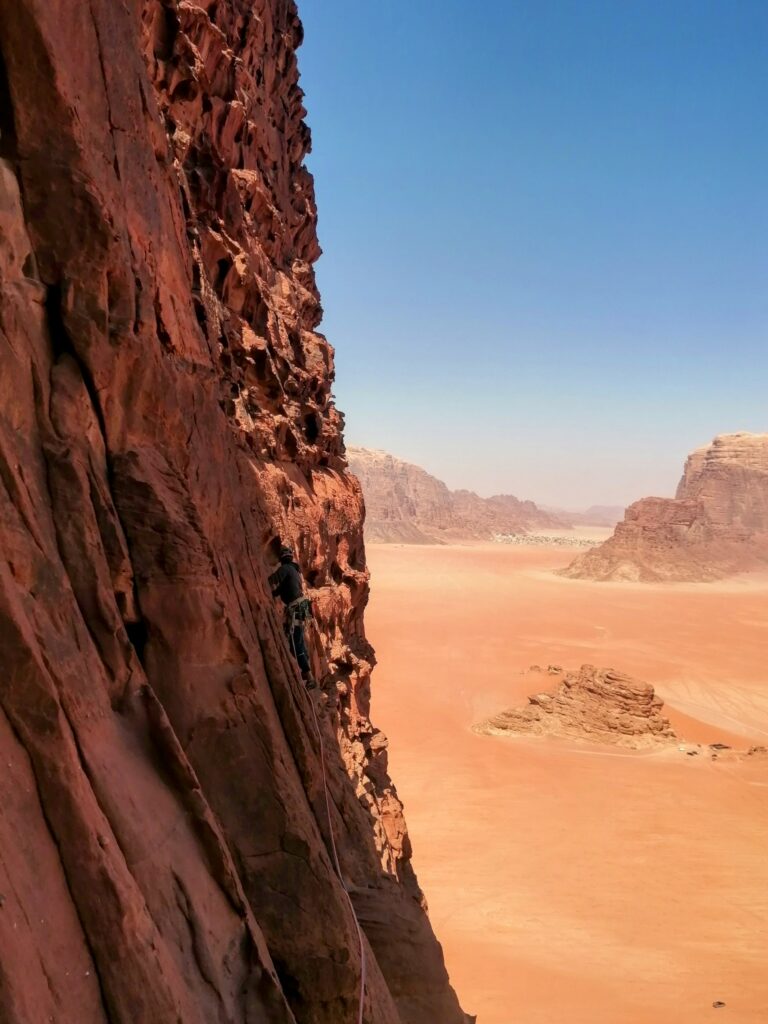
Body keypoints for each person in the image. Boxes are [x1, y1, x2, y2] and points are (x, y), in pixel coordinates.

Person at [269, 545, 316, 689]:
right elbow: (279, 590)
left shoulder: (286, 569)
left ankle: (309, 676)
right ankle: (306, 672)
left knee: (296, 643)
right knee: (298, 640)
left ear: (282, 559)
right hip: (301, 608)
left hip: (296, 609)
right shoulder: (293, 571)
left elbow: (271, 580)